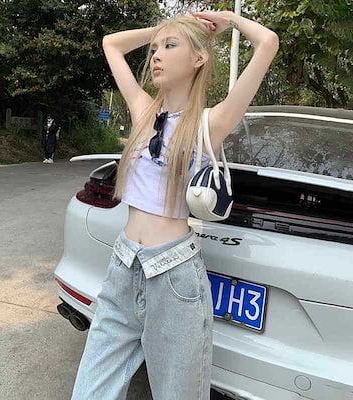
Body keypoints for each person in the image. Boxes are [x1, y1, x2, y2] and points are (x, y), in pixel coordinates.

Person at [71, 9, 278, 400]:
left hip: (174, 276)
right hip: (123, 266)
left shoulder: (210, 124)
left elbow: (268, 43)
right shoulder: (143, 111)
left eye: (169, 46)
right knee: (89, 392)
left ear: (199, 58)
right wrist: (167, 28)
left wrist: (229, 20)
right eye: (153, 49)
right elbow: (111, 44)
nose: (156, 55)